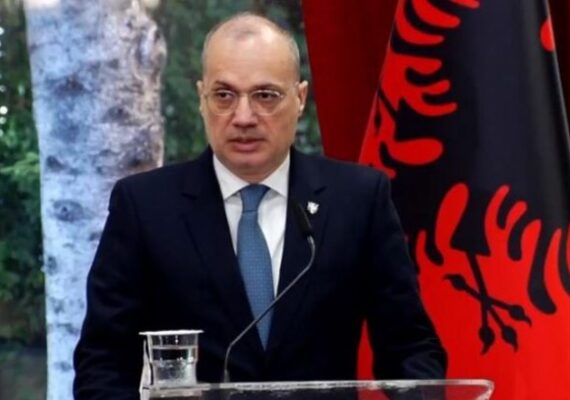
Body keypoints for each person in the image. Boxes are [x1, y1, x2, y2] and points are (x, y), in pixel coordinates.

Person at [73, 12, 446, 399]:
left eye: (265, 95)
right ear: (201, 98)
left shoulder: (357, 199)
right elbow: (102, 365)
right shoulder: (145, 206)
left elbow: (411, 349)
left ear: (300, 98)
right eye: (224, 96)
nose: (244, 117)